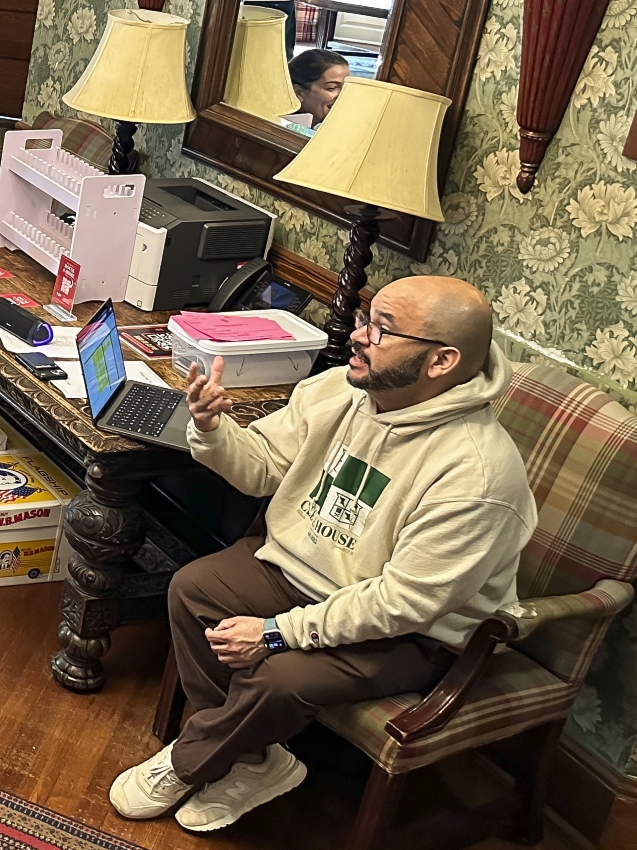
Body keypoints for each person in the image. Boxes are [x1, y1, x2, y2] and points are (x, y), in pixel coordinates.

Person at [110, 276, 535, 833]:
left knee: (280, 677)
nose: (357, 336)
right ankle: (254, 760)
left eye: (381, 330)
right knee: (194, 589)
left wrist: (275, 632)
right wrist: (211, 429)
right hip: (306, 574)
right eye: (365, 319)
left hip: (417, 633)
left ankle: (192, 761)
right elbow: (263, 465)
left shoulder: (477, 475)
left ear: (441, 361)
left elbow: (404, 602)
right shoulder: (340, 389)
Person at [286, 48, 348, 130]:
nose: (342, 95)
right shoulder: (280, 129)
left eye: (346, 87)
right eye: (331, 87)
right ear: (299, 93)